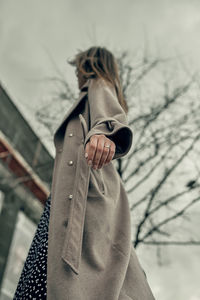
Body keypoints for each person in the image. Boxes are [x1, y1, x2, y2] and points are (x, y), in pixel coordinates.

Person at [14, 46, 156, 300]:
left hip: (81, 201)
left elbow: (110, 117)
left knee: (60, 280)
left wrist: (104, 134)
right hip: (69, 203)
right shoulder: (86, 97)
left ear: (88, 65)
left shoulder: (97, 84)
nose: (76, 76)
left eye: (78, 68)